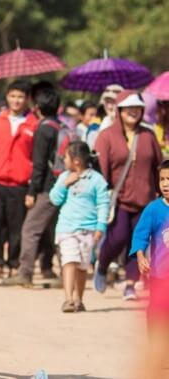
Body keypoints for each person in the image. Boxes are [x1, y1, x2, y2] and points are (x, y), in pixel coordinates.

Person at [94, 91, 162, 300]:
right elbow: (100, 169)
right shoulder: (106, 135)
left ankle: (130, 284)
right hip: (119, 200)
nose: (133, 112)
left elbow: (159, 166)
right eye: (129, 108)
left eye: (137, 108)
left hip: (145, 199)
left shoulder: (148, 135)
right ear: (119, 110)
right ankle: (103, 264)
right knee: (118, 237)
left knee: (139, 242)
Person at [7, 87, 65, 287]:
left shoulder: (43, 129)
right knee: (60, 231)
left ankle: (25, 273)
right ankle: (67, 274)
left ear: (37, 107)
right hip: (65, 185)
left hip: (48, 188)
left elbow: (39, 165)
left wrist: (32, 192)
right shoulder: (62, 126)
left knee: (30, 229)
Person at [48, 141, 110, 312]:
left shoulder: (96, 180)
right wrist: (65, 184)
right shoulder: (64, 177)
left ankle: (78, 299)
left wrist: (100, 227)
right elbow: (54, 199)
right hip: (66, 229)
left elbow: (103, 204)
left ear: (76, 160)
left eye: (65, 157)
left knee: (82, 266)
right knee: (69, 261)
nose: (63, 159)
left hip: (88, 231)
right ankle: (68, 299)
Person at [0, 80, 36, 278]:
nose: (16, 100)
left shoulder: (33, 124)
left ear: (27, 99)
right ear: (7, 97)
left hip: (20, 183)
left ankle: (14, 263)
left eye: (20, 97)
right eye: (13, 96)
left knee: (16, 227)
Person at [130, 160, 169, 379]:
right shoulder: (154, 209)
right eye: (163, 179)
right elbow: (141, 234)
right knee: (157, 314)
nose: (166, 184)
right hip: (159, 276)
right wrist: (140, 254)